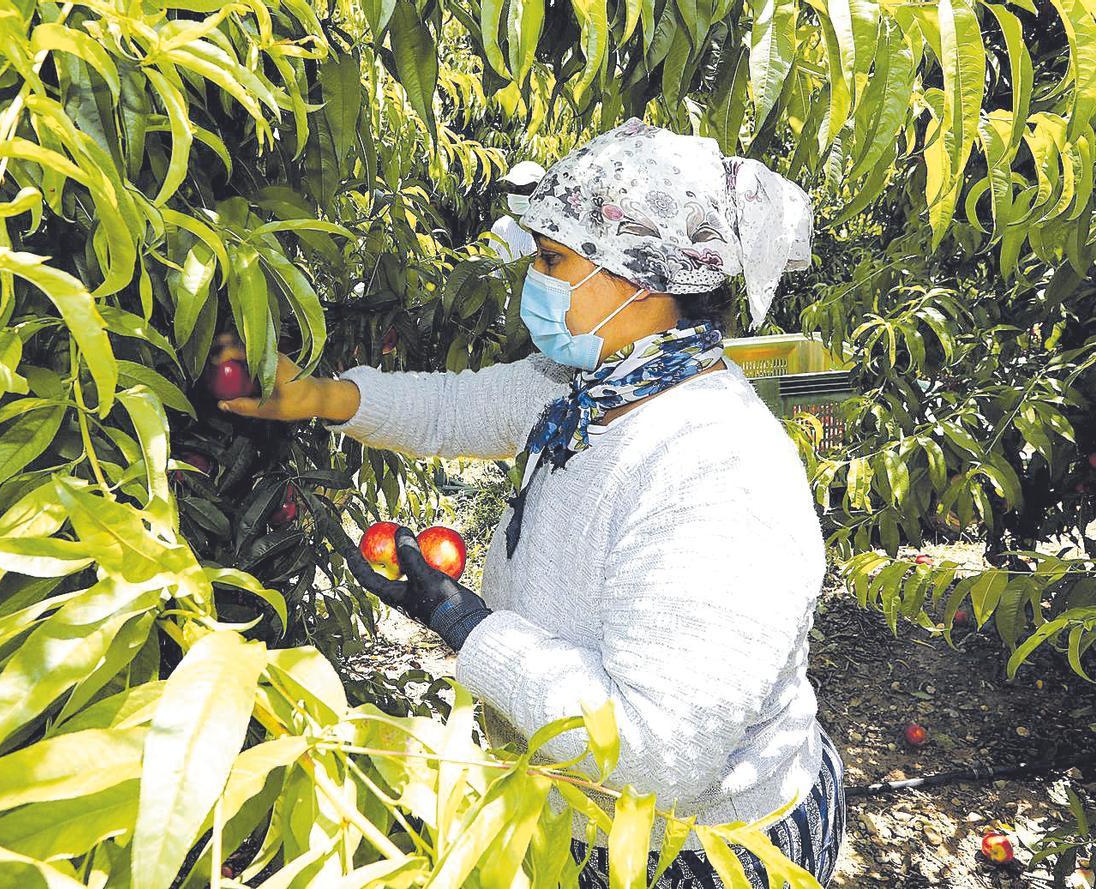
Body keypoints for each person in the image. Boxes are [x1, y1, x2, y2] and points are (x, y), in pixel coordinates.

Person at [218, 118, 844, 888]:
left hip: (691, 851)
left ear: (646, 280)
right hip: (576, 800)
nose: (534, 281)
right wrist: (317, 395)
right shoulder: (599, 385)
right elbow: (458, 407)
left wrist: (466, 625)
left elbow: (657, 754)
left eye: (553, 260)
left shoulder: (717, 469)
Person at [490, 160, 544, 261]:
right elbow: (492, 267)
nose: (516, 194)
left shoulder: (554, 230)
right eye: (512, 189)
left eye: (524, 189)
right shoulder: (501, 227)